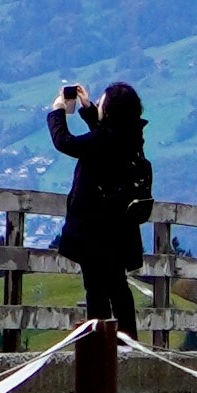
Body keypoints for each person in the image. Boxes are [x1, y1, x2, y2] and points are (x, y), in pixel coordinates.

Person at [49, 76, 153, 337]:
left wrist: (58, 111)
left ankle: (100, 348)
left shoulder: (103, 141)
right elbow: (106, 137)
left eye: (102, 104)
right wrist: (88, 110)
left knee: (95, 288)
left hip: (95, 232)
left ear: (110, 112)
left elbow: (66, 142)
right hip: (120, 230)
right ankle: (127, 344)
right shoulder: (131, 138)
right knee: (118, 286)